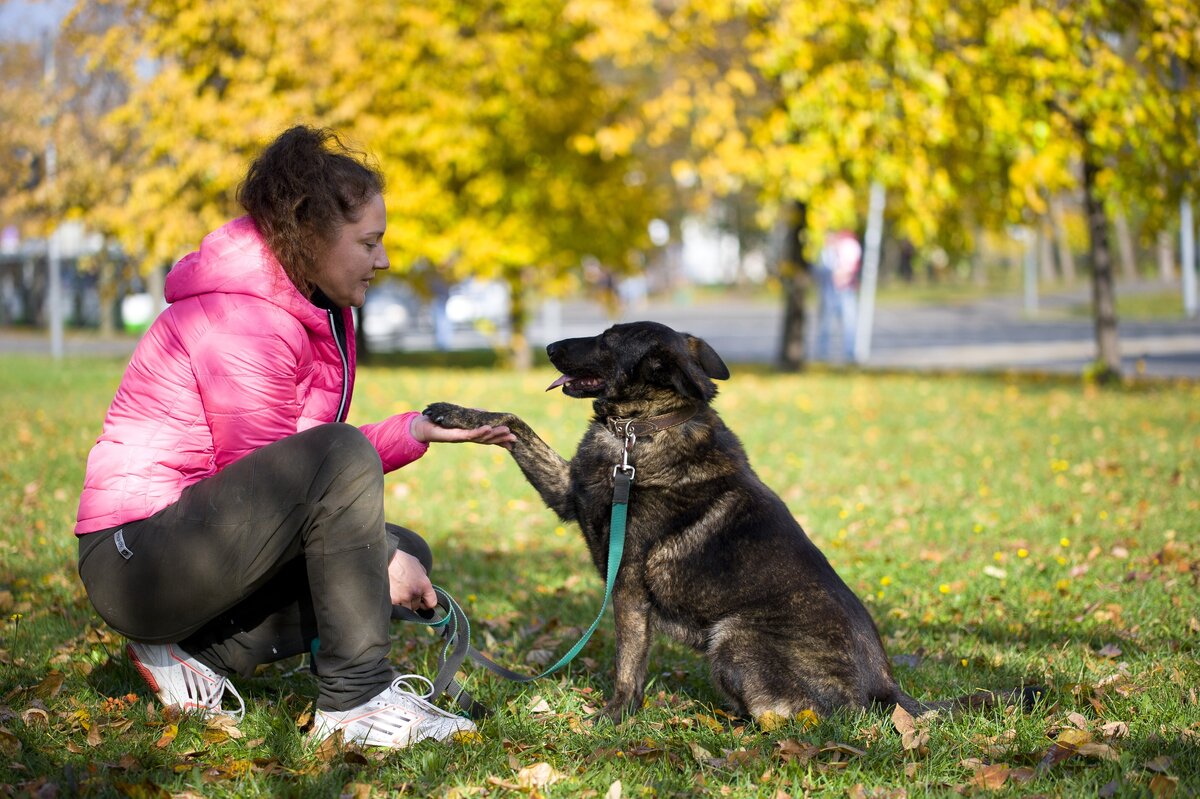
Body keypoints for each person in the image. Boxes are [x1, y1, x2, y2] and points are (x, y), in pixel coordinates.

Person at [73, 126, 515, 750]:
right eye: (368, 242)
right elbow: (283, 469)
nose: (383, 260)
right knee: (376, 544)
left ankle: (194, 654)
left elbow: (302, 458)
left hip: (189, 546)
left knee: (398, 546)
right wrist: (381, 556)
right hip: (139, 561)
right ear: (310, 235)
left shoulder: (297, 309)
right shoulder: (241, 320)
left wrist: (412, 431)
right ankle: (357, 702)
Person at [814, 229, 862, 363]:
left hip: (846, 291)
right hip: (829, 292)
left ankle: (850, 354)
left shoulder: (848, 248)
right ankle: (822, 354)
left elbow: (850, 268)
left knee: (849, 324)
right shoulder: (825, 253)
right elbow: (820, 271)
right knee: (825, 325)